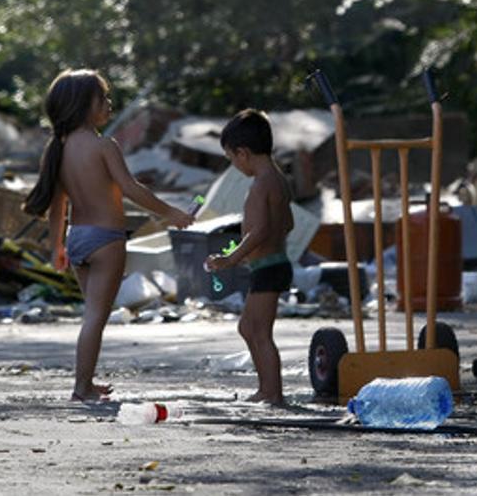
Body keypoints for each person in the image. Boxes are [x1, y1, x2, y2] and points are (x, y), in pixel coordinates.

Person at [23, 69, 194, 402]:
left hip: (78, 238)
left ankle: (86, 381)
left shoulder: (58, 149)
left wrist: (56, 246)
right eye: (103, 98)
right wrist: (170, 212)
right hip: (106, 239)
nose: (109, 104)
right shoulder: (103, 146)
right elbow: (131, 188)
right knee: (95, 318)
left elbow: (58, 206)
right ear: (84, 105)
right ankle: (81, 387)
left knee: (92, 314)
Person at [206, 109, 294, 405]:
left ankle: (272, 392)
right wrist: (251, 252)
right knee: (249, 327)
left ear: (242, 153)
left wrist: (231, 258)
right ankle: (266, 389)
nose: (234, 165)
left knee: (259, 331)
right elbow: (287, 224)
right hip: (270, 263)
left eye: (231, 159)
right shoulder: (278, 179)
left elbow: (258, 231)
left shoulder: (260, 184)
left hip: (269, 267)